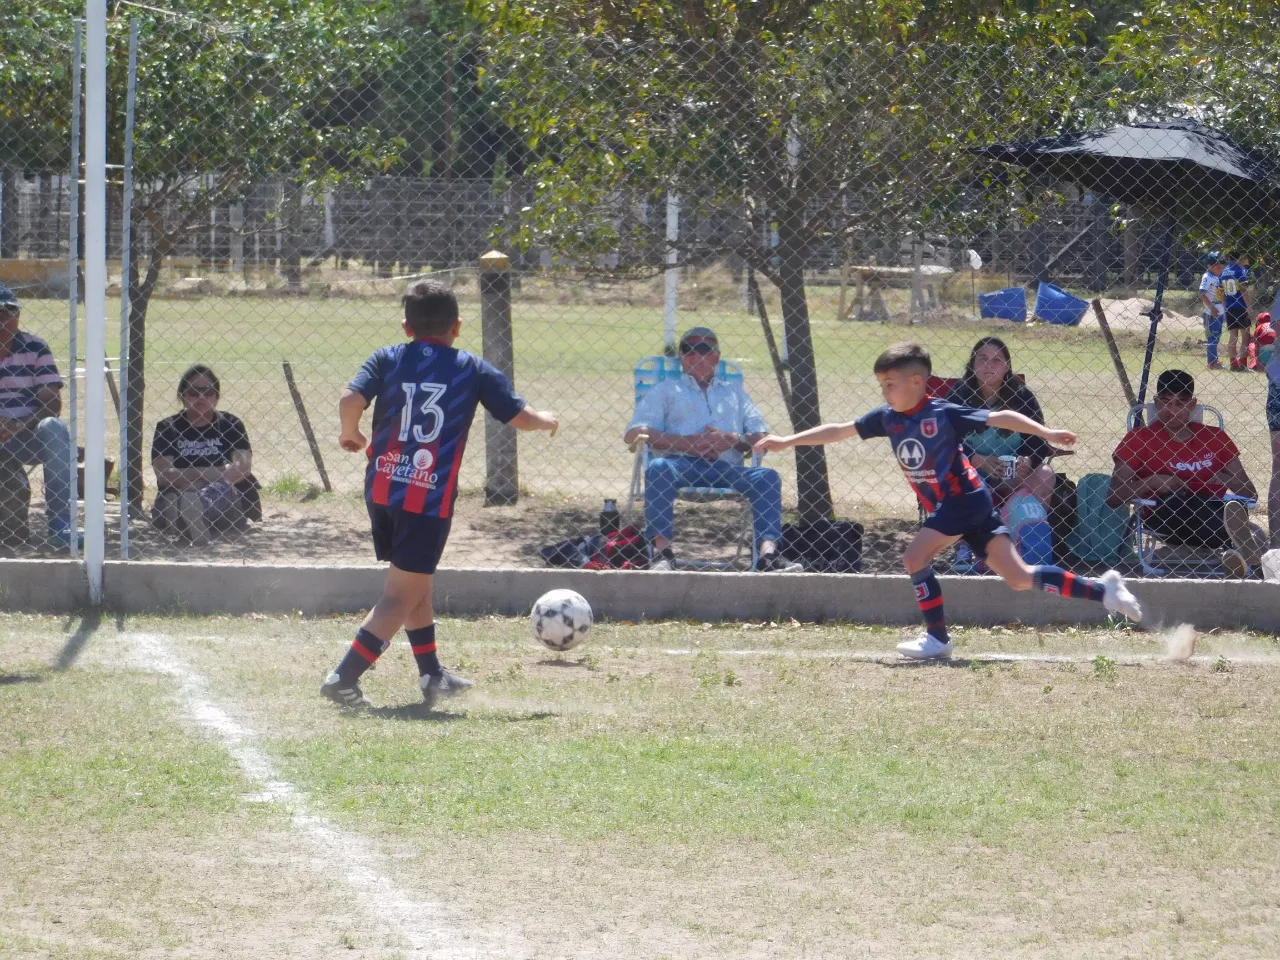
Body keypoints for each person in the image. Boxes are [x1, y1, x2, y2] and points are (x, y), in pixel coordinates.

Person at [755, 342, 1141, 661]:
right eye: (881, 385)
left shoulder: (943, 412)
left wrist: (1046, 431)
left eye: (889, 384)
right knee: (1020, 577)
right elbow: (839, 430)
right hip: (972, 505)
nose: (884, 392)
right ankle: (1105, 590)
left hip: (962, 501)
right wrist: (787, 441)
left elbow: (1002, 417)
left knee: (914, 558)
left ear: (916, 382)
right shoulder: (887, 418)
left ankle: (937, 638)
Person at [321, 279, 558, 710]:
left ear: (406, 327)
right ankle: (344, 677)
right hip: (426, 498)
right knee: (401, 594)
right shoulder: (470, 368)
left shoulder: (387, 357)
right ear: (458, 326)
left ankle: (432, 675)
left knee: (416, 583)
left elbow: (350, 397)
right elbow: (519, 417)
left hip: (382, 489)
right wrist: (544, 419)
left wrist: (349, 433)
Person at [624, 326, 800, 572]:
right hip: (679, 466)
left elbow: (762, 436)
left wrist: (732, 439)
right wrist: (688, 444)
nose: (696, 355)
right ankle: (663, 555)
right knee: (658, 467)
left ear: (716, 356)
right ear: (681, 357)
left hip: (727, 468)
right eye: (688, 349)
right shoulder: (665, 390)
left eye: (704, 349)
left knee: (767, 478)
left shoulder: (735, 393)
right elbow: (634, 433)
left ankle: (768, 558)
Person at [1108, 368, 1267, 578]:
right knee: (1186, 504)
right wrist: (1151, 482)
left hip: (1214, 507)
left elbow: (1250, 494)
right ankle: (1242, 546)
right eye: (1166, 402)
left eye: (1180, 403)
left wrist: (1224, 479)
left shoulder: (1214, 437)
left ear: (1192, 405)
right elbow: (1114, 497)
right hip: (1164, 511)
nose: (1172, 410)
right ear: (1156, 402)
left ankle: (1236, 551)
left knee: (1229, 507)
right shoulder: (1139, 439)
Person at [948, 336, 1057, 567]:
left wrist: (1029, 460)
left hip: (1011, 474)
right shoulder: (958, 396)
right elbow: (944, 439)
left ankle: (1027, 539)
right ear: (972, 364)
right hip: (971, 473)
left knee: (1045, 474)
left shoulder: (1021, 396)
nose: (989, 365)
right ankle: (965, 546)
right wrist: (975, 459)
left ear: (1007, 366)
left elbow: (1038, 440)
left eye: (997, 360)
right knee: (957, 475)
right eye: (982, 359)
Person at [0, 283, 77, 550]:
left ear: (18, 315)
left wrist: (19, 424)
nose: (4, 319)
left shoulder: (35, 347)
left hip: (26, 434)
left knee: (54, 427)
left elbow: (52, 403)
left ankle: (60, 523)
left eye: (10, 312)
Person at [151, 364, 259, 544]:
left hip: (224, 499)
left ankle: (188, 513)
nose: (201, 397)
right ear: (183, 396)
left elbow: (242, 468)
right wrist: (209, 473)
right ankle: (188, 515)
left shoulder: (231, 424)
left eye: (208, 392)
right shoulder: (167, 427)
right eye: (193, 392)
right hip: (181, 491)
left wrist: (195, 479)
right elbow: (164, 475)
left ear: (216, 397)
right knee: (175, 497)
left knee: (222, 490)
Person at [1221, 252, 1253, 371]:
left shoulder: (1224, 271)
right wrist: (1249, 306)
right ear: (1240, 258)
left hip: (1229, 307)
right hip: (1241, 306)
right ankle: (1243, 365)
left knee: (1233, 336)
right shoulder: (1240, 270)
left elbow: (1221, 291)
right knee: (1245, 337)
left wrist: (1225, 305)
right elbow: (1243, 290)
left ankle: (1233, 365)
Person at [1200, 252, 1227, 370]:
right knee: (1212, 338)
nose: (1219, 267)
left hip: (1219, 313)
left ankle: (1215, 361)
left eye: (1221, 265)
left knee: (1216, 337)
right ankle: (1212, 362)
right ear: (1209, 266)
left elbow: (1221, 293)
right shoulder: (1207, 277)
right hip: (1211, 314)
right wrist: (1211, 308)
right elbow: (1202, 293)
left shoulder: (1219, 277)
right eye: (1216, 265)